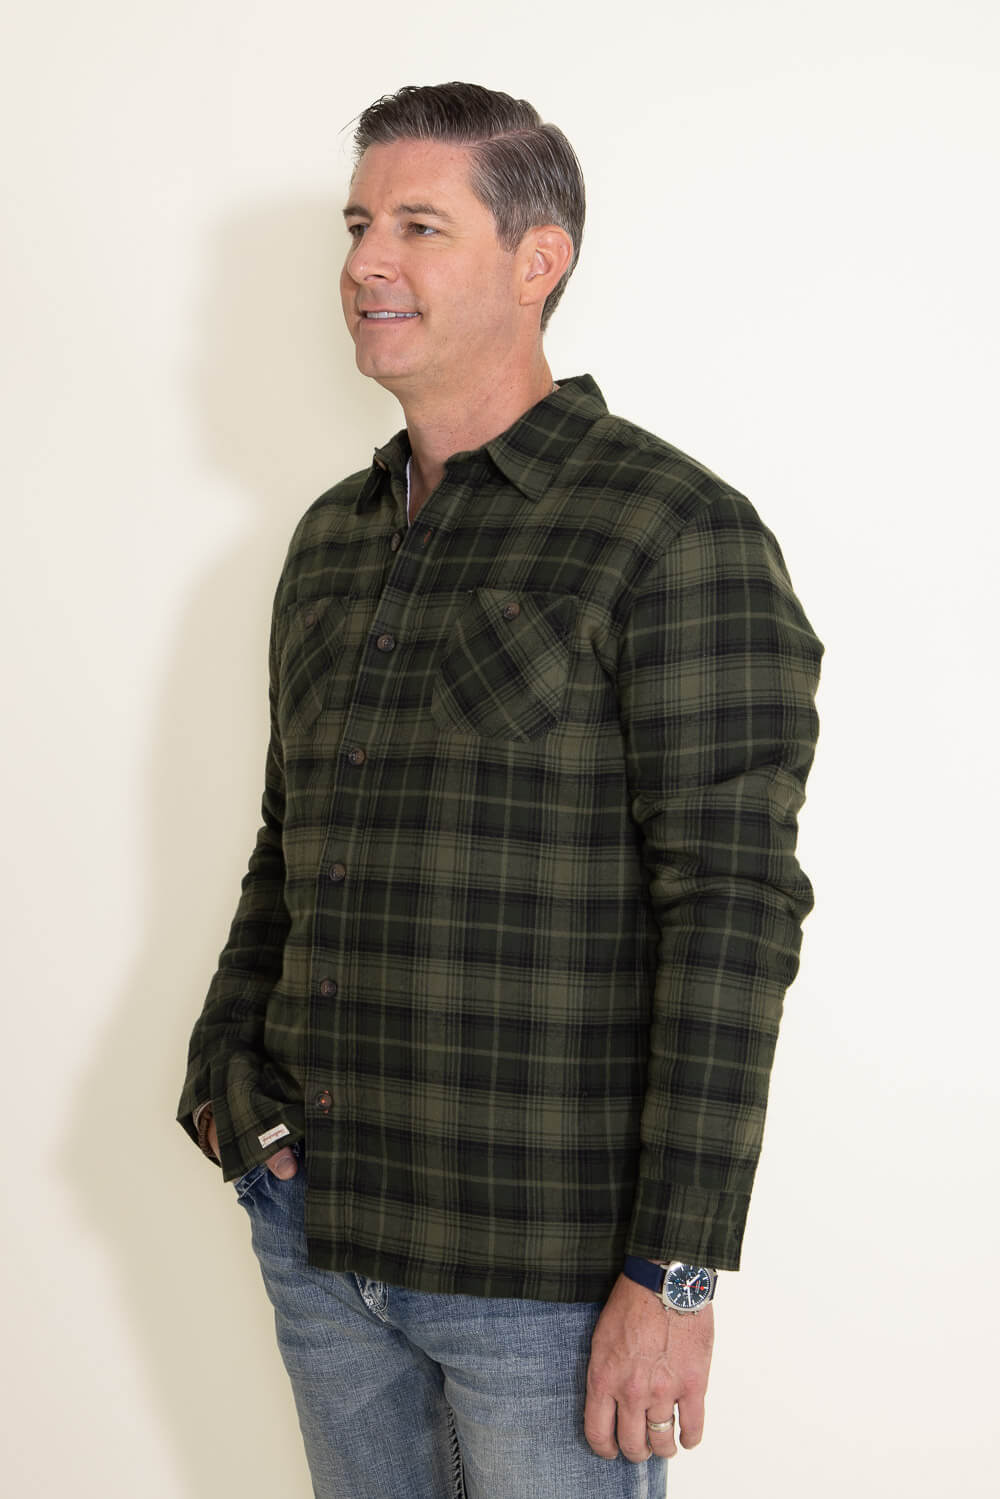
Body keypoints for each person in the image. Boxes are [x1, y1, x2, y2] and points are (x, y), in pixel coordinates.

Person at [177, 81, 823, 1499]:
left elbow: (733, 913)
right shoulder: (333, 539)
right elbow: (290, 843)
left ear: (540, 261)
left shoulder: (671, 531)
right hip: (317, 1234)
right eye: (358, 224)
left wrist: (675, 1271)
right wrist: (223, 1082)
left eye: (419, 225)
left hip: (543, 1281)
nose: (366, 261)